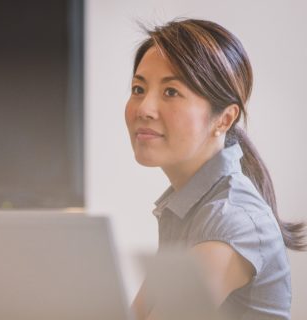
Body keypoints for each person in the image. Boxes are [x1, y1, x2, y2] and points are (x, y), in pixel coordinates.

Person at [125, 18, 306, 320]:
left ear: (224, 119)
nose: (144, 108)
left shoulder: (231, 220)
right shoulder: (187, 207)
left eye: (171, 92)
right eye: (138, 88)